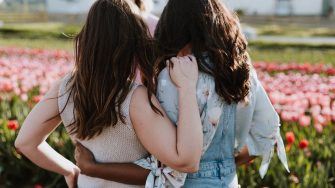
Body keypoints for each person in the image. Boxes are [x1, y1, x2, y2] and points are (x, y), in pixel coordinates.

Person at [74, 0, 290, 187]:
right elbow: (268, 132)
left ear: (173, 25)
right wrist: (222, 166)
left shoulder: (172, 77)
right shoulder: (242, 72)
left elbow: (165, 167)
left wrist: (94, 168)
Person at [14, 0, 204, 187]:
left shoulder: (65, 87)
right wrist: (186, 87)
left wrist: (70, 171)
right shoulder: (134, 98)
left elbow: (25, 142)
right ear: (133, 40)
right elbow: (186, 161)